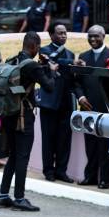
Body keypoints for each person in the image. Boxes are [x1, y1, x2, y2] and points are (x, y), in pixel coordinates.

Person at [0, 32, 56, 212]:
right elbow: (49, 87)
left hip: (7, 115)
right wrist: (49, 70)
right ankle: (20, 199)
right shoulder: (32, 66)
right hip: (23, 117)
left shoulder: (11, 60)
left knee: (13, 156)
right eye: (38, 48)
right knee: (22, 157)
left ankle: (3, 196)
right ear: (34, 47)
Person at [74, 25, 109, 189]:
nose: (92, 39)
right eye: (90, 36)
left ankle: (104, 179)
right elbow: (77, 82)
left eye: (96, 36)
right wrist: (81, 97)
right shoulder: (83, 56)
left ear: (103, 36)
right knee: (89, 144)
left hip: (105, 108)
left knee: (104, 145)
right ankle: (89, 176)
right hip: (87, 108)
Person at [38, 23, 77, 183]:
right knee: (49, 139)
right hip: (49, 104)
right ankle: (48, 171)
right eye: (60, 33)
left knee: (64, 140)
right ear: (51, 35)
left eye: (65, 33)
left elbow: (72, 79)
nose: (63, 36)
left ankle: (61, 171)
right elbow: (53, 60)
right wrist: (71, 62)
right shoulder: (44, 52)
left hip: (66, 104)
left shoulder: (70, 54)